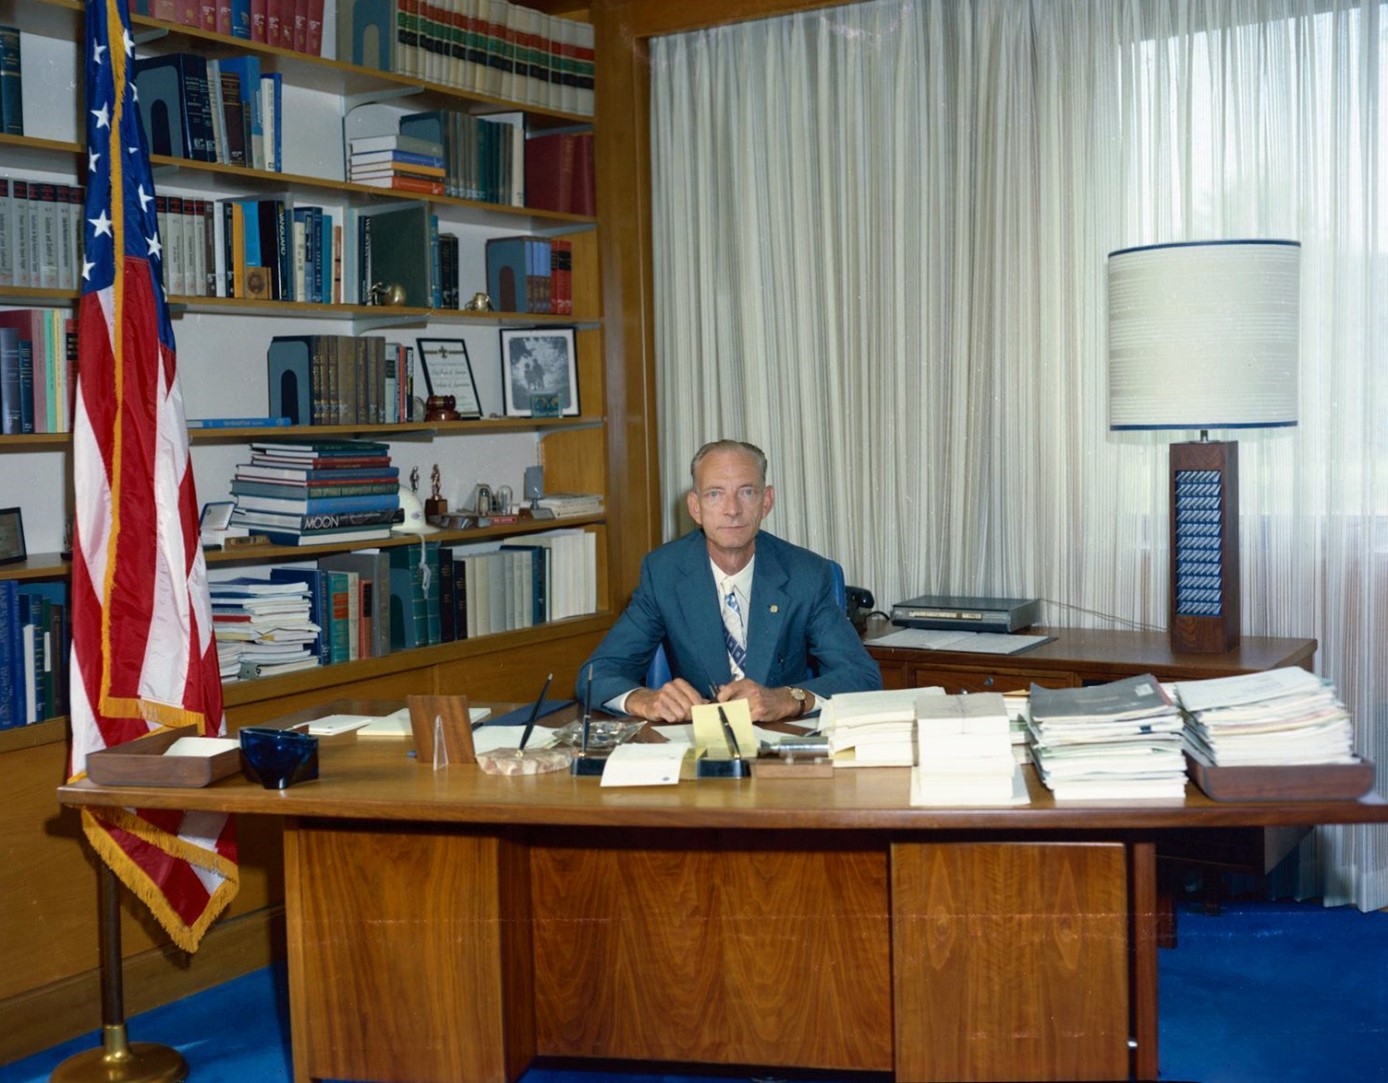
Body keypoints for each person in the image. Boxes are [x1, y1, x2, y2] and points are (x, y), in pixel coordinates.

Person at [580, 439, 881, 722]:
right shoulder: (664, 573)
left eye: (747, 492)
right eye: (715, 494)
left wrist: (790, 698)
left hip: (782, 749)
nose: (733, 509)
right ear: (695, 508)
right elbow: (597, 673)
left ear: (766, 501)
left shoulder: (806, 574)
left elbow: (861, 676)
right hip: (699, 749)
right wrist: (643, 699)